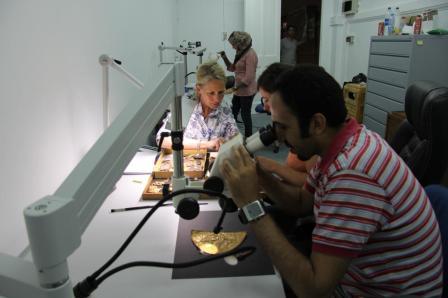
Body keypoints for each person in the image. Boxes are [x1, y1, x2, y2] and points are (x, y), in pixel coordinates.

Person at [221, 65, 443, 297]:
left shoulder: (353, 173)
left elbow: (313, 289)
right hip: (356, 278)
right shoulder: (349, 139)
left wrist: (250, 205)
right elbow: (300, 202)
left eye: (284, 127)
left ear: (317, 123)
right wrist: (260, 176)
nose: (279, 136)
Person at [256, 62, 318, 187]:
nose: (265, 106)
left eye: (267, 100)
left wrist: (273, 167)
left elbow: (314, 186)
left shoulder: (309, 138)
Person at [157, 61, 239, 151]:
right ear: (199, 89)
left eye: (221, 92)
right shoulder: (185, 107)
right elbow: (161, 140)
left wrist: (227, 142)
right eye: (211, 93)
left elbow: (236, 141)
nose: (217, 99)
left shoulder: (224, 110)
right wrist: (204, 144)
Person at [219, 31, 258, 138]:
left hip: (247, 90)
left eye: (233, 44)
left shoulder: (250, 54)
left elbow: (248, 78)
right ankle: (232, 134)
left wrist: (234, 88)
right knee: (233, 111)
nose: (232, 47)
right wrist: (224, 57)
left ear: (239, 43)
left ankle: (248, 138)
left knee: (245, 115)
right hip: (239, 89)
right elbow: (232, 68)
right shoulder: (240, 52)